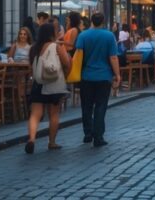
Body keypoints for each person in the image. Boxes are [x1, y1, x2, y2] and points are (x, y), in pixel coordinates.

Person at [75, 13, 121, 147]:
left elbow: (78, 55)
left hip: (86, 76)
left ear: (91, 21)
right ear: (103, 21)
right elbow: (113, 57)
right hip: (103, 76)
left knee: (86, 106)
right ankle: (98, 136)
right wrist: (117, 74)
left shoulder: (83, 35)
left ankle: (87, 133)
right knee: (101, 106)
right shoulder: (109, 36)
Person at [25, 23, 71, 154]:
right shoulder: (56, 47)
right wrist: (65, 76)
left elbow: (31, 67)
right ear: (52, 33)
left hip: (38, 83)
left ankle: (32, 139)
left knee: (35, 114)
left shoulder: (33, 48)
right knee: (54, 114)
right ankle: (51, 142)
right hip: (54, 84)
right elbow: (66, 64)